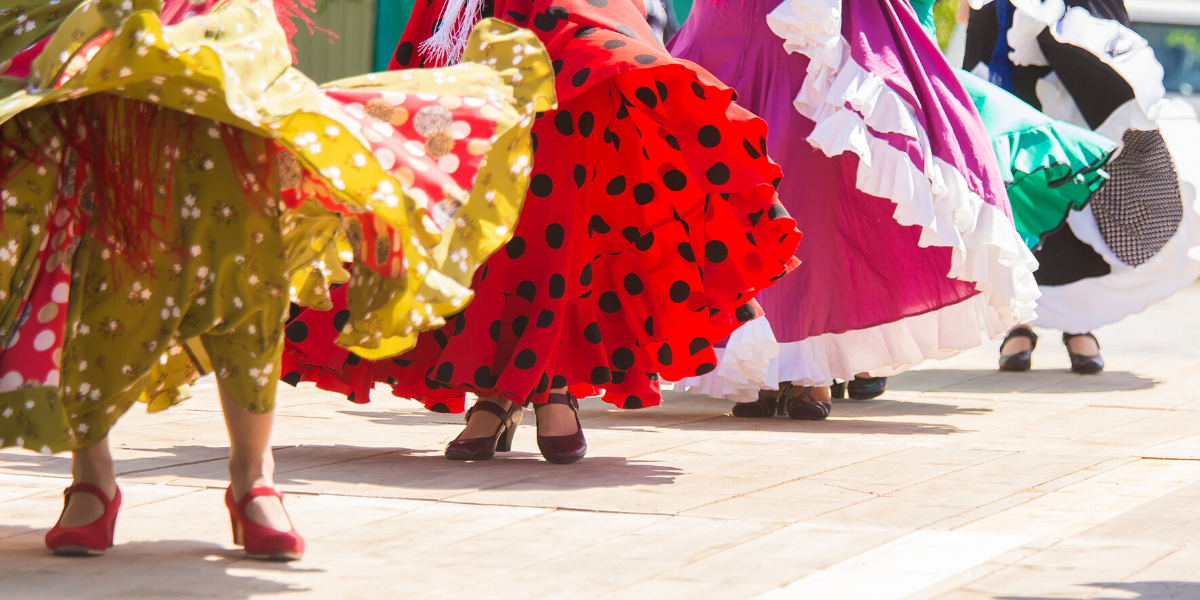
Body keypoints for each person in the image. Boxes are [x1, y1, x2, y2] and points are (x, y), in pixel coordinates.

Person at [0, 0, 549, 558]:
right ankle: (91, 476)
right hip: (103, 52)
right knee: (108, 280)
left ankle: (252, 477)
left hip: (220, 38)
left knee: (242, 270)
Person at [281, 0, 804, 463]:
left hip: (574, 30)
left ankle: (545, 387)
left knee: (554, 212)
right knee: (470, 207)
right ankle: (505, 393)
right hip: (472, 29)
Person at [670, 0, 1040, 418]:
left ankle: (810, 371)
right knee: (734, 184)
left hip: (814, 26)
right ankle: (760, 367)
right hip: (731, 26)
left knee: (810, 187)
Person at [964, 0, 1200, 373]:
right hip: (1004, 48)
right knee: (1019, 187)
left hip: (1081, 37)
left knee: (1089, 184)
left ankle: (1078, 325)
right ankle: (1019, 320)